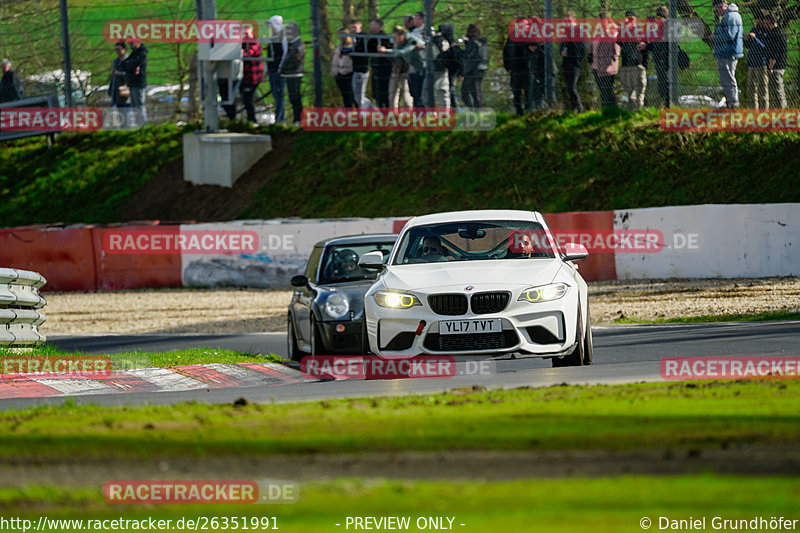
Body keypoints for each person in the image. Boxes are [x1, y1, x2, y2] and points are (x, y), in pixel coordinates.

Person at [713, 0, 743, 108]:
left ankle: (733, 105)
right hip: (725, 52)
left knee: (729, 80)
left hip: (729, 53)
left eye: (716, 10)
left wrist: (715, 38)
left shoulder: (732, 16)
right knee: (726, 80)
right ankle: (730, 103)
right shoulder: (726, 17)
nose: (716, 13)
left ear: (721, 7)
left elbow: (730, 35)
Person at [618, 10, 648, 111]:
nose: (629, 20)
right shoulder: (623, 32)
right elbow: (618, 41)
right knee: (630, 94)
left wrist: (644, 65)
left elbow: (646, 48)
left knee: (639, 93)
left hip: (638, 65)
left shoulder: (640, 31)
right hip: (626, 65)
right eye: (627, 18)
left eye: (631, 18)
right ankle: (632, 114)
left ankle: (640, 113)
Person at [590, 13, 620, 108]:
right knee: (603, 92)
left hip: (607, 67)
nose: (599, 23)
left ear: (607, 20)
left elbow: (616, 51)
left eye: (601, 21)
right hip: (596, 67)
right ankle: (605, 113)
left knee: (608, 91)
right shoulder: (597, 33)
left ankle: (613, 111)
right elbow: (594, 47)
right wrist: (590, 55)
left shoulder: (613, 32)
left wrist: (609, 61)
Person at [279, 22, 305, 125]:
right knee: (292, 97)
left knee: (296, 97)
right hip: (289, 74)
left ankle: (299, 119)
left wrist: (284, 67)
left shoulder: (297, 43)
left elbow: (294, 60)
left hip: (295, 73)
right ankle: (297, 119)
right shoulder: (290, 43)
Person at [117, 39, 148, 125]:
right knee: (134, 105)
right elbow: (123, 65)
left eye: (132, 43)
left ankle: (143, 125)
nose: (130, 45)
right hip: (132, 82)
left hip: (139, 83)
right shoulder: (134, 53)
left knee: (139, 104)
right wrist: (129, 65)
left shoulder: (142, 53)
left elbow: (132, 64)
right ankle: (139, 125)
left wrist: (129, 65)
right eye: (129, 44)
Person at [646, 6, 671, 107]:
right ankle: (664, 102)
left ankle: (668, 103)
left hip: (666, 57)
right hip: (657, 57)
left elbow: (665, 42)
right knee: (661, 81)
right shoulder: (655, 26)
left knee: (666, 81)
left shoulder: (667, 25)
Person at [560, 13, 586, 112]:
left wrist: (576, 58)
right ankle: (574, 108)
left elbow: (583, 48)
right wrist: (562, 52)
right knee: (569, 87)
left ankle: (580, 108)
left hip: (575, 63)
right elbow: (561, 47)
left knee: (572, 86)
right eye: (565, 21)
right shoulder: (565, 33)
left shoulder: (579, 31)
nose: (567, 23)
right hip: (566, 63)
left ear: (574, 20)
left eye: (569, 21)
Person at [743, 16, 769, 109]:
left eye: (759, 19)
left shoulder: (767, 32)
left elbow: (765, 47)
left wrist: (755, 39)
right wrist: (745, 40)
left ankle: (765, 113)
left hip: (761, 64)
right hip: (751, 63)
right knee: (751, 90)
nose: (757, 21)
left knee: (763, 91)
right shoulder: (754, 29)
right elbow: (749, 46)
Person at [240, 25, 264, 123]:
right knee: (245, 98)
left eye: (247, 33)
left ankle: (252, 119)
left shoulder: (255, 43)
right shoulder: (243, 44)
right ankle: (249, 119)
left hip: (254, 77)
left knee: (249, 98)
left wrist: (238, 51)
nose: (245, 35)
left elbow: (248, 53)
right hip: (244, 76)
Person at [385, 26, 414, 108]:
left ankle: (408, 110)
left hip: (404, 70)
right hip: (396, 70)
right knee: (393, 93)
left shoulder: (405, 43)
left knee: (405, 93)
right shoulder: (392, 42)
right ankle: (394, 111)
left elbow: (401, 55)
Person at [461, 24, 488, 109]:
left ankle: (476, 110)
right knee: (476, 92)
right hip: (480, 69)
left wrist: (463, 72)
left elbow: (467, 56)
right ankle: (477, 110)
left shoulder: (473, 43)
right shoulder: (481, 43)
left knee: (469, 92)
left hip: (472, 71)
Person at [367, 19, 392, 108]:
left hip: (383, 67)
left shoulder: (383, 37)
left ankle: (385, 108)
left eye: (372, 25)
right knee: (377, 89)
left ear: (378, 26)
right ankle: (381, 107)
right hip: (376, 66)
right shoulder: (373, 38)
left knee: (382, 89)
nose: (370, 27)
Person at [267, 15, 287, 124]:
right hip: (272, 70)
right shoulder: (272, 38)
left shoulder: (283, 37)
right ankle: (279, 118)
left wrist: (280, 68)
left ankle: (280, 120)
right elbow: (269, 54)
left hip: (279, 71)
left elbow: (285, 53)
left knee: (279, 95)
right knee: (275, 95)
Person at [765, 14, 787, 109]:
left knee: (778, 90)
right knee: (777, 90)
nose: (765, 26)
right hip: (778, 65)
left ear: (771, 23)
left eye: (766, 23)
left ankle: (782, 112)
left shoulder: (775, 35)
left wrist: (771, 67)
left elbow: (775, 52)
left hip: (777, 66)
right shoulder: (780, 33)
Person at [348, 20, 371, 108]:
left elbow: (355, 49)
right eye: (351, 27)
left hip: (362, 70)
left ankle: (363, 116)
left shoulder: (362, 37)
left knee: (360, 97)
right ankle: (376, 110)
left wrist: (346, 51)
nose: (352, 29)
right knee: (357, 97)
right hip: (355, 69)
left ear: (360, 28)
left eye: (355, 27)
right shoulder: (355, 38)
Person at [408, 12, 427, 107]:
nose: (413, 20)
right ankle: (417, 113)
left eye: (415, 18)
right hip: (414, 64)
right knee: (414, 91)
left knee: (422, 91)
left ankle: (424, 113)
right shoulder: (413, 32)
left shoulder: (427, 30)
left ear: (421, 19)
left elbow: (427, 45)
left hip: (424, 65)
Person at [332, 30, 355, 108]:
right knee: (345, 94)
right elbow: (336, 59)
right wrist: (334, 72)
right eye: (339, 35)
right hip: (339, 73)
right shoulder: (339, 45)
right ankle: (348, 111)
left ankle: (359, 112)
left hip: (349, 72)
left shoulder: (352, 44)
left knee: (352, 94)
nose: (340, 37)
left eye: (342, 34)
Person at [430, 27, 451, 109]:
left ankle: (432, 112)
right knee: (443, 93)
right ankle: (445, 113)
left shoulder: (432, 42)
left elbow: (430, 55)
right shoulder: (443, 40)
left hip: (435, 69)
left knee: (434, 92)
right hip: (443, 68)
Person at [108, 42, 129, 108]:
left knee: (125, 112)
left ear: (124, 49)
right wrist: (110, 89)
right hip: (116, 91)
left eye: (119, 49)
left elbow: (130, 74)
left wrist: (119, 74)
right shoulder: (116, 61)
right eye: (116, 50)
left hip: (125, 90)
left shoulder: (128, 61)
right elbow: (113, 76)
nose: (117, 51)